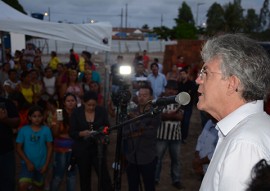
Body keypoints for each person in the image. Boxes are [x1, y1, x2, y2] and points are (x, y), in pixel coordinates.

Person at [196, 34, 270, 191]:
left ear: (232, 83)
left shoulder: (244, 145)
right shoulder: (247, 131)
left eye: (205, 73)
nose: (198, 80)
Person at [69, 91, 113, 191]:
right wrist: (81, 133)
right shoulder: (77, 113)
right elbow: (72, 132)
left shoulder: (101, 111)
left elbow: (108, 128)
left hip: (98, 149)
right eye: (89, 105)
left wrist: (102, 131)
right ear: (83, 103)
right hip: (82, 149)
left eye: (94, 105)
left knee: (104, 176)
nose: (91, 107)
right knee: (84, 177)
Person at [123, 85, 161, 191]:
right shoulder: (131, 111)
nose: (141, 97)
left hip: (148, 157)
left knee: (149, 186)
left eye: (145, 95)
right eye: (140, 95)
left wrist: (137, 121)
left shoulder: (155, 113)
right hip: (131, 157)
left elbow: (151, 133)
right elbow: (125, 133)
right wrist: (142, 130)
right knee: (132, 187)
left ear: (151, 97)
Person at [16, 105, 53, 191]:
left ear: (43, 117)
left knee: (39, 187)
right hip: (27, 165)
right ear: (29, 117)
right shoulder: (23, 130)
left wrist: (46, 165)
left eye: (39, 116)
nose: (37, 119)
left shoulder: (46, 130)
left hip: (41, 166)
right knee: (22, 185)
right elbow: (18, 148)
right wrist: (27, 162)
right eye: (34, 116)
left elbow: (50, 147)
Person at [155, 80, 184, 189]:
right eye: (169, 89)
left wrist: (165, 115)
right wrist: (172, 115)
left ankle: (176, 180)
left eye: (173, 89)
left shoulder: (180, 102)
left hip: (175, 136)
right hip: (161, 135)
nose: (171, 91)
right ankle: (155, 178)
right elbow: (158, 116)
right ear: (165, 89)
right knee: (157, 159)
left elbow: (180, 117)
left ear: (176, 91)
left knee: (176, 160)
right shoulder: (160, 101)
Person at [50, 93, 77, 191]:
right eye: (68, 101)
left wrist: (68, 135)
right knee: (58, 175)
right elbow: (55, 133)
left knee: (72, 175)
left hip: (74, 149)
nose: (70, 103)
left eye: (72, 100)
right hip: (60, 149)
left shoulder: (77, 113)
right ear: (64, 103)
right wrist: (71, 135)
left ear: (76, 102)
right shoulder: (59, 113)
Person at [0, 95, 20, 191]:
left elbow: (17, 121)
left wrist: (5, 119)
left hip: (6, 150)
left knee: (8, 181)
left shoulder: (7, 103)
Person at [178, 66, 197, 144]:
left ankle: (184, 137)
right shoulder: (179, 84)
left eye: (183, 74)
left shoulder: (191, 84)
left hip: (188, 106)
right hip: (180, 105)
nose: (182, 75)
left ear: (187, 74)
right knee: (180, 122)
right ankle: (179, 136)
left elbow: (192, 94)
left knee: (186, 122)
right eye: (181, 74)